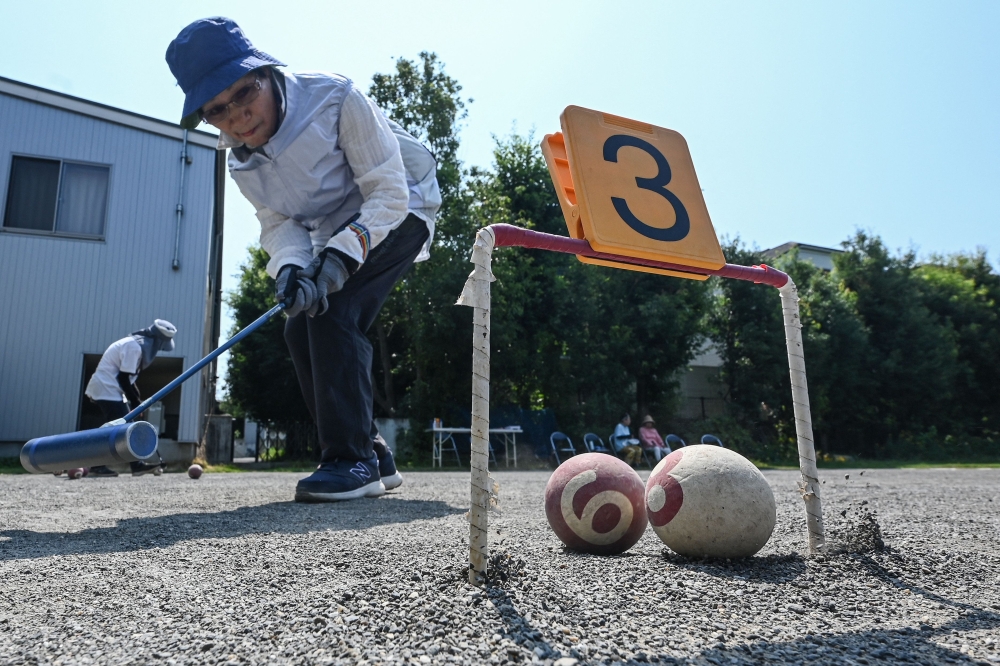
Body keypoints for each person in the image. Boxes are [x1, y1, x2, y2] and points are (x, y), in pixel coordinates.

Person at [166, 18, 440, 502]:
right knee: (300, 323)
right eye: (216, 111)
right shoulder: (237, 158)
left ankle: (350, 461)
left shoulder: (334, 98)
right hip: (329, 231)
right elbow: (278, 222)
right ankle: (373, 453)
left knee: (336, 308)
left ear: (265, 73)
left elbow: (387, 190)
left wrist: (338, 259)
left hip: (401, 208)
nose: (237, 119)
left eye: (244, 95)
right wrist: (291, 268)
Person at [83, 319, 176, 477]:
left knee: (123, 427)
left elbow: (129, 381)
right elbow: (124, 378)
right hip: (106, 388)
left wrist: (138, 401)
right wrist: (135, 403)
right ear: (157, 341)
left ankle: (135, 465)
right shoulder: (134, 347)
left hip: (111, 388)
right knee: (121, 428)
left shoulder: (135, 344)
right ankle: (101, 466)